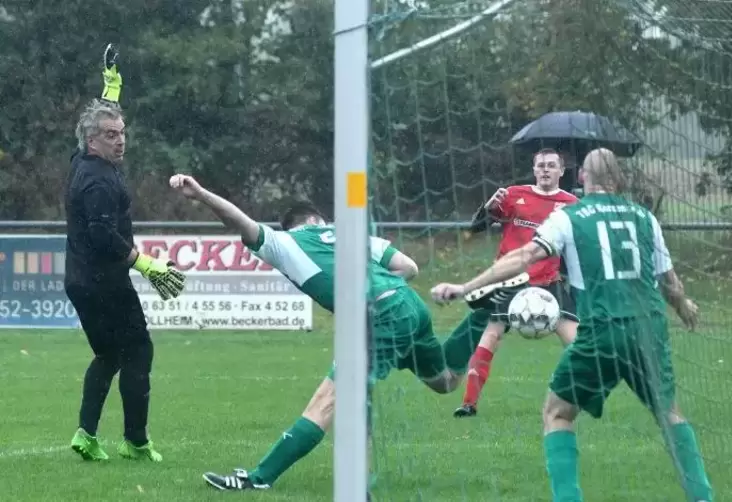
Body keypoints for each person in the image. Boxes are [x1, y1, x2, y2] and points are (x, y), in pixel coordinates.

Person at [167, 174, 514, 491]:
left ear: (292, 226)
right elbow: (409, 267)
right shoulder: (355, 236)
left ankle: (259, 478)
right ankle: (488, 310)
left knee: (329, 400)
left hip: (377, 317)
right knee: (445, 381)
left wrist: (199, 194)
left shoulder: (284, 242)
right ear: (319, 220)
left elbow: (238, 220)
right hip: (408, 304)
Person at [431, 148, 713, 502]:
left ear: (580, 177)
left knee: (558, 413)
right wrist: (684, 305)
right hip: (649, 329)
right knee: (669, 413)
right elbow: (669, 281)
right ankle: (703, 497)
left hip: (601, 331)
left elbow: (525, 256)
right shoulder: (645, 217)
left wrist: (465, 287)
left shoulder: (569, 215)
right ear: (619, 178)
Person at [65, 44, 185, 462]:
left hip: (80, 281)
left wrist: (111, 84)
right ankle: (135, 442)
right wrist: (147, 264)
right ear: (93, 140)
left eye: (122, 133)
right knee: (139, 350)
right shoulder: (98, 180)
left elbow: (102, 115)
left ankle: (86, 435)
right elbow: (102, 234)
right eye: (111, 135)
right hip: (104, 282)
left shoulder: (81, 158)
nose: (121, 141)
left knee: (109, 354)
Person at [454, 148, 579, 418]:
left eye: (551, 165)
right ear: (534, 170)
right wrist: (487, 207)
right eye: (541, 165)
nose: (545, 170)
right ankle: (468, 404)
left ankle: (582, 396)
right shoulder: (513, 195)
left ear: (561, 171)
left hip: (549, 282)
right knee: (491, 336)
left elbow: (576, 246)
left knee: (577, 341)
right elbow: (476, 228)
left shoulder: (571, 204)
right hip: (510, 281)